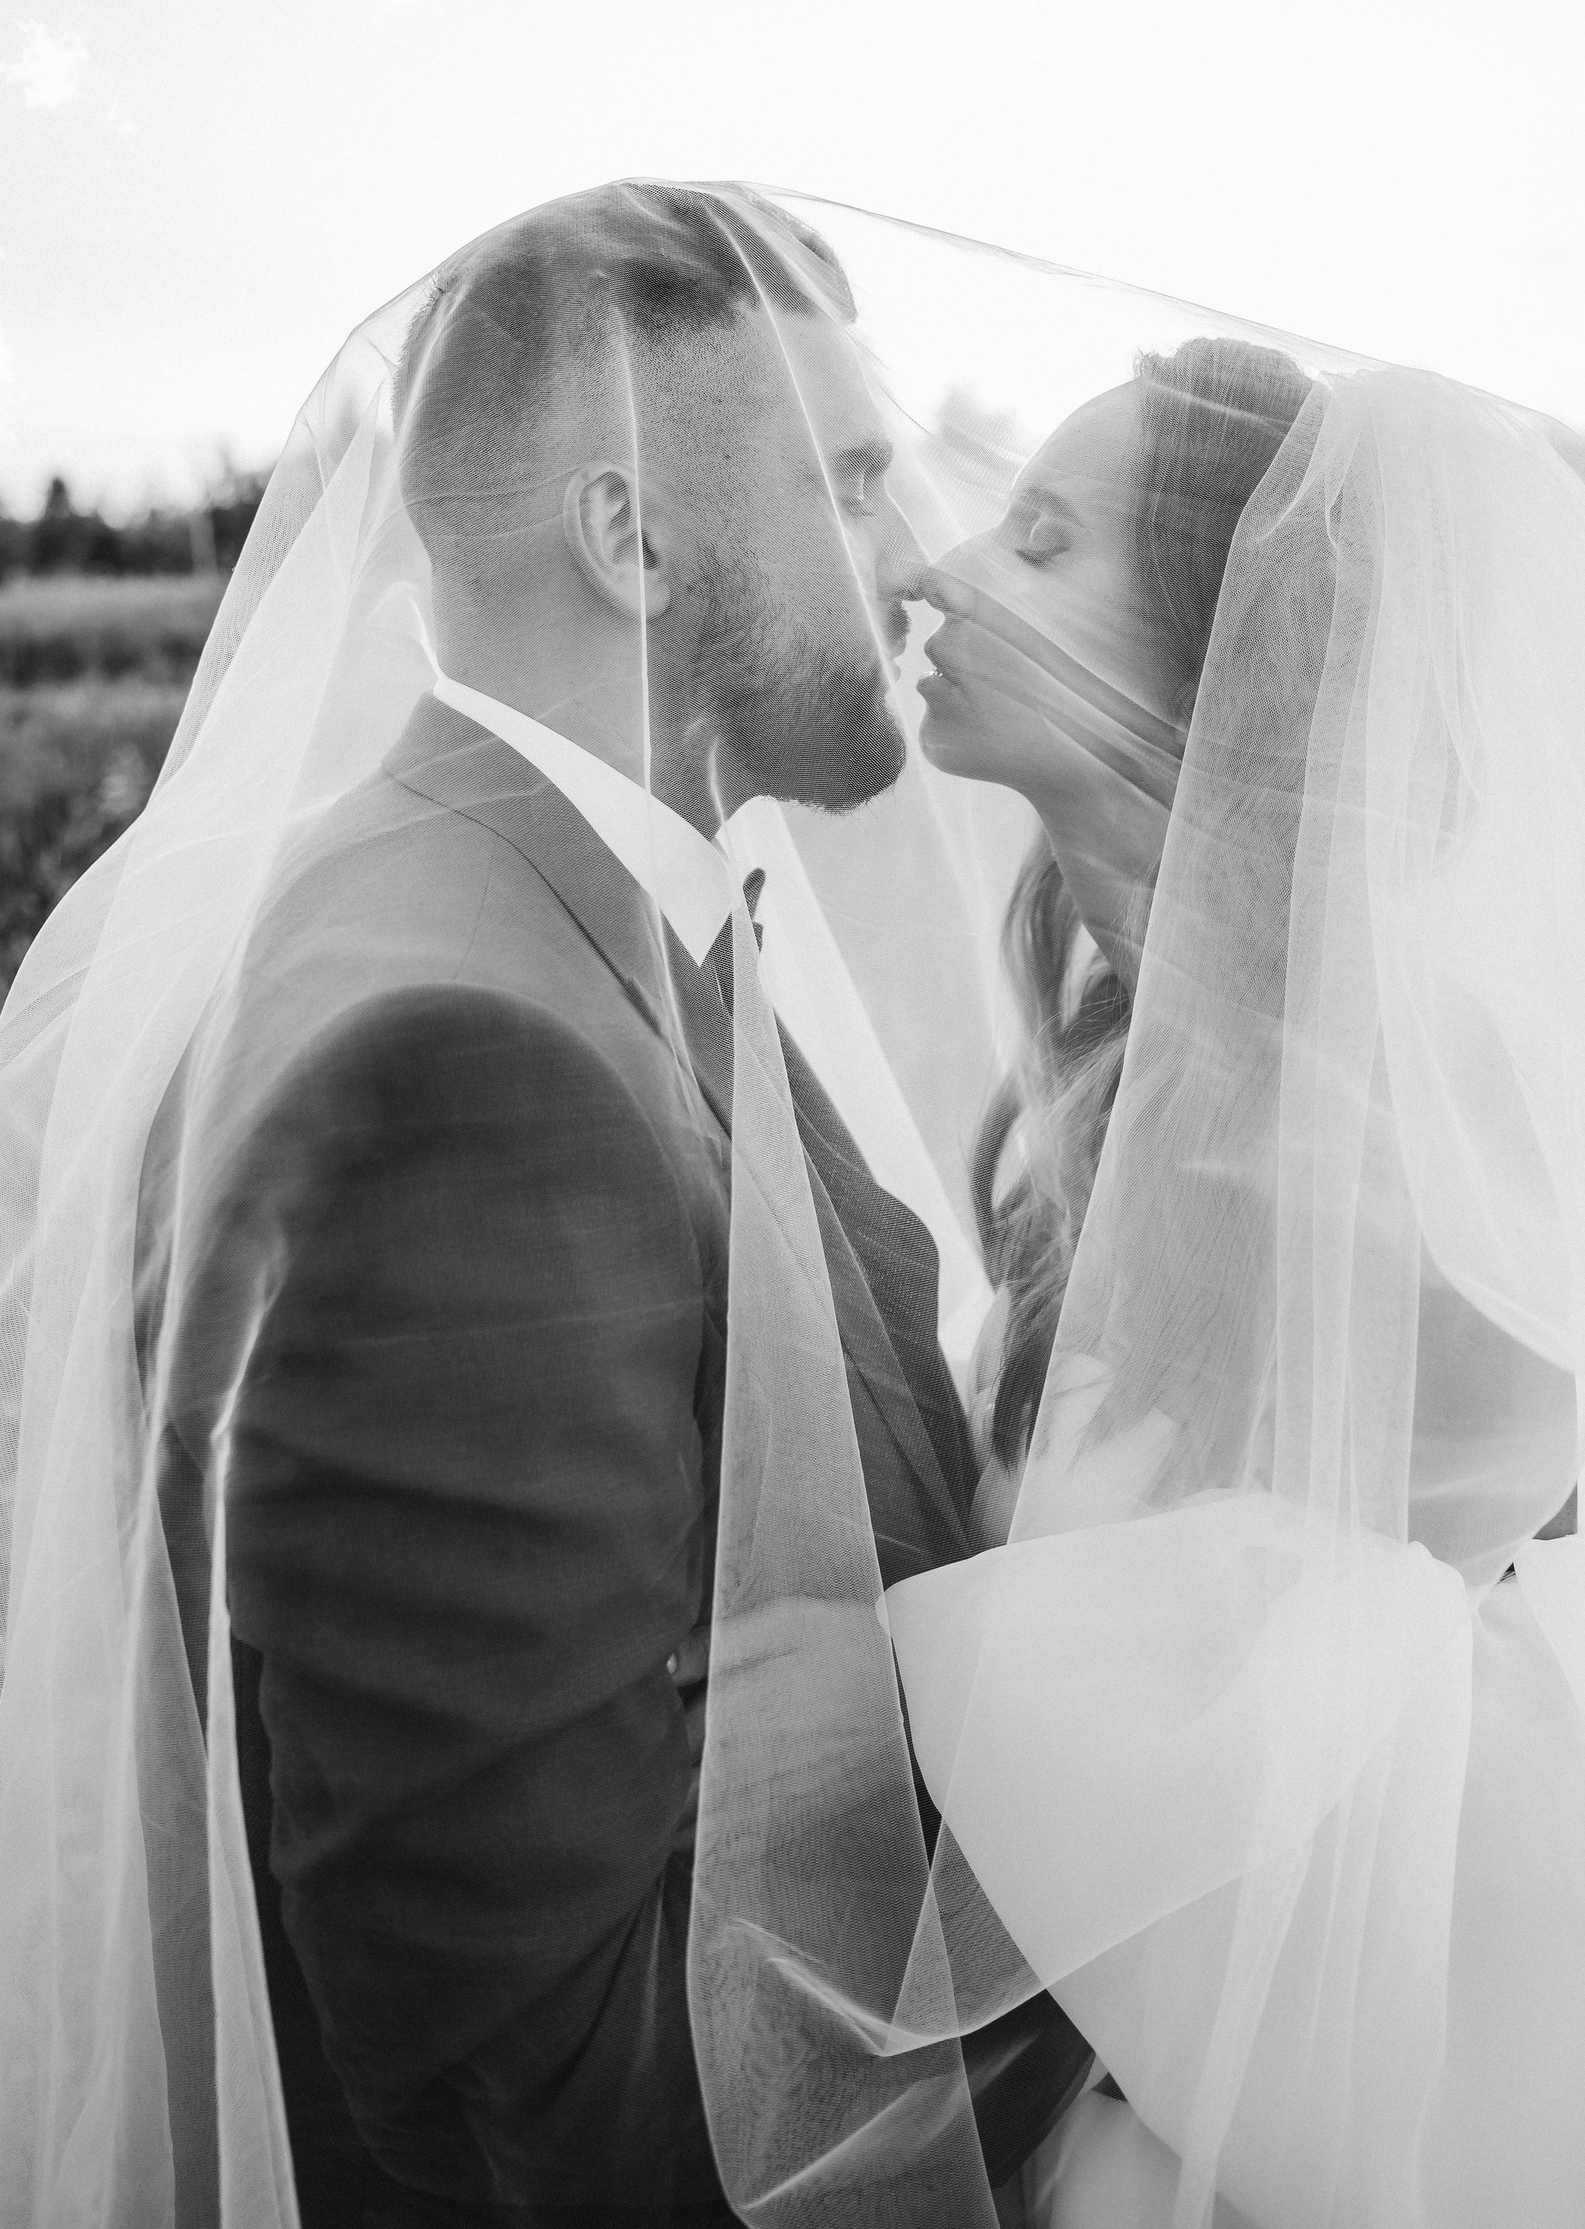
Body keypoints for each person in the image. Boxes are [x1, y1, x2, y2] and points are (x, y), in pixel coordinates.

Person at [93, 186, 1083, 2227]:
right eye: (850, 483)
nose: (917, 556)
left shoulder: (555, 907)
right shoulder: (465, 1071)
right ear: (631, 538)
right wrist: (1180, 1970)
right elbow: (547, 2089)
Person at [889, 337, 1585, 2225]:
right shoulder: (1121, 1040)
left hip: (1402, 2066)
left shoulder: (1384, 1107)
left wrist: (891, 1688)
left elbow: (1353, 1672)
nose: (935, 573)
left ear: (1230, 643)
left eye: (1040, 542)